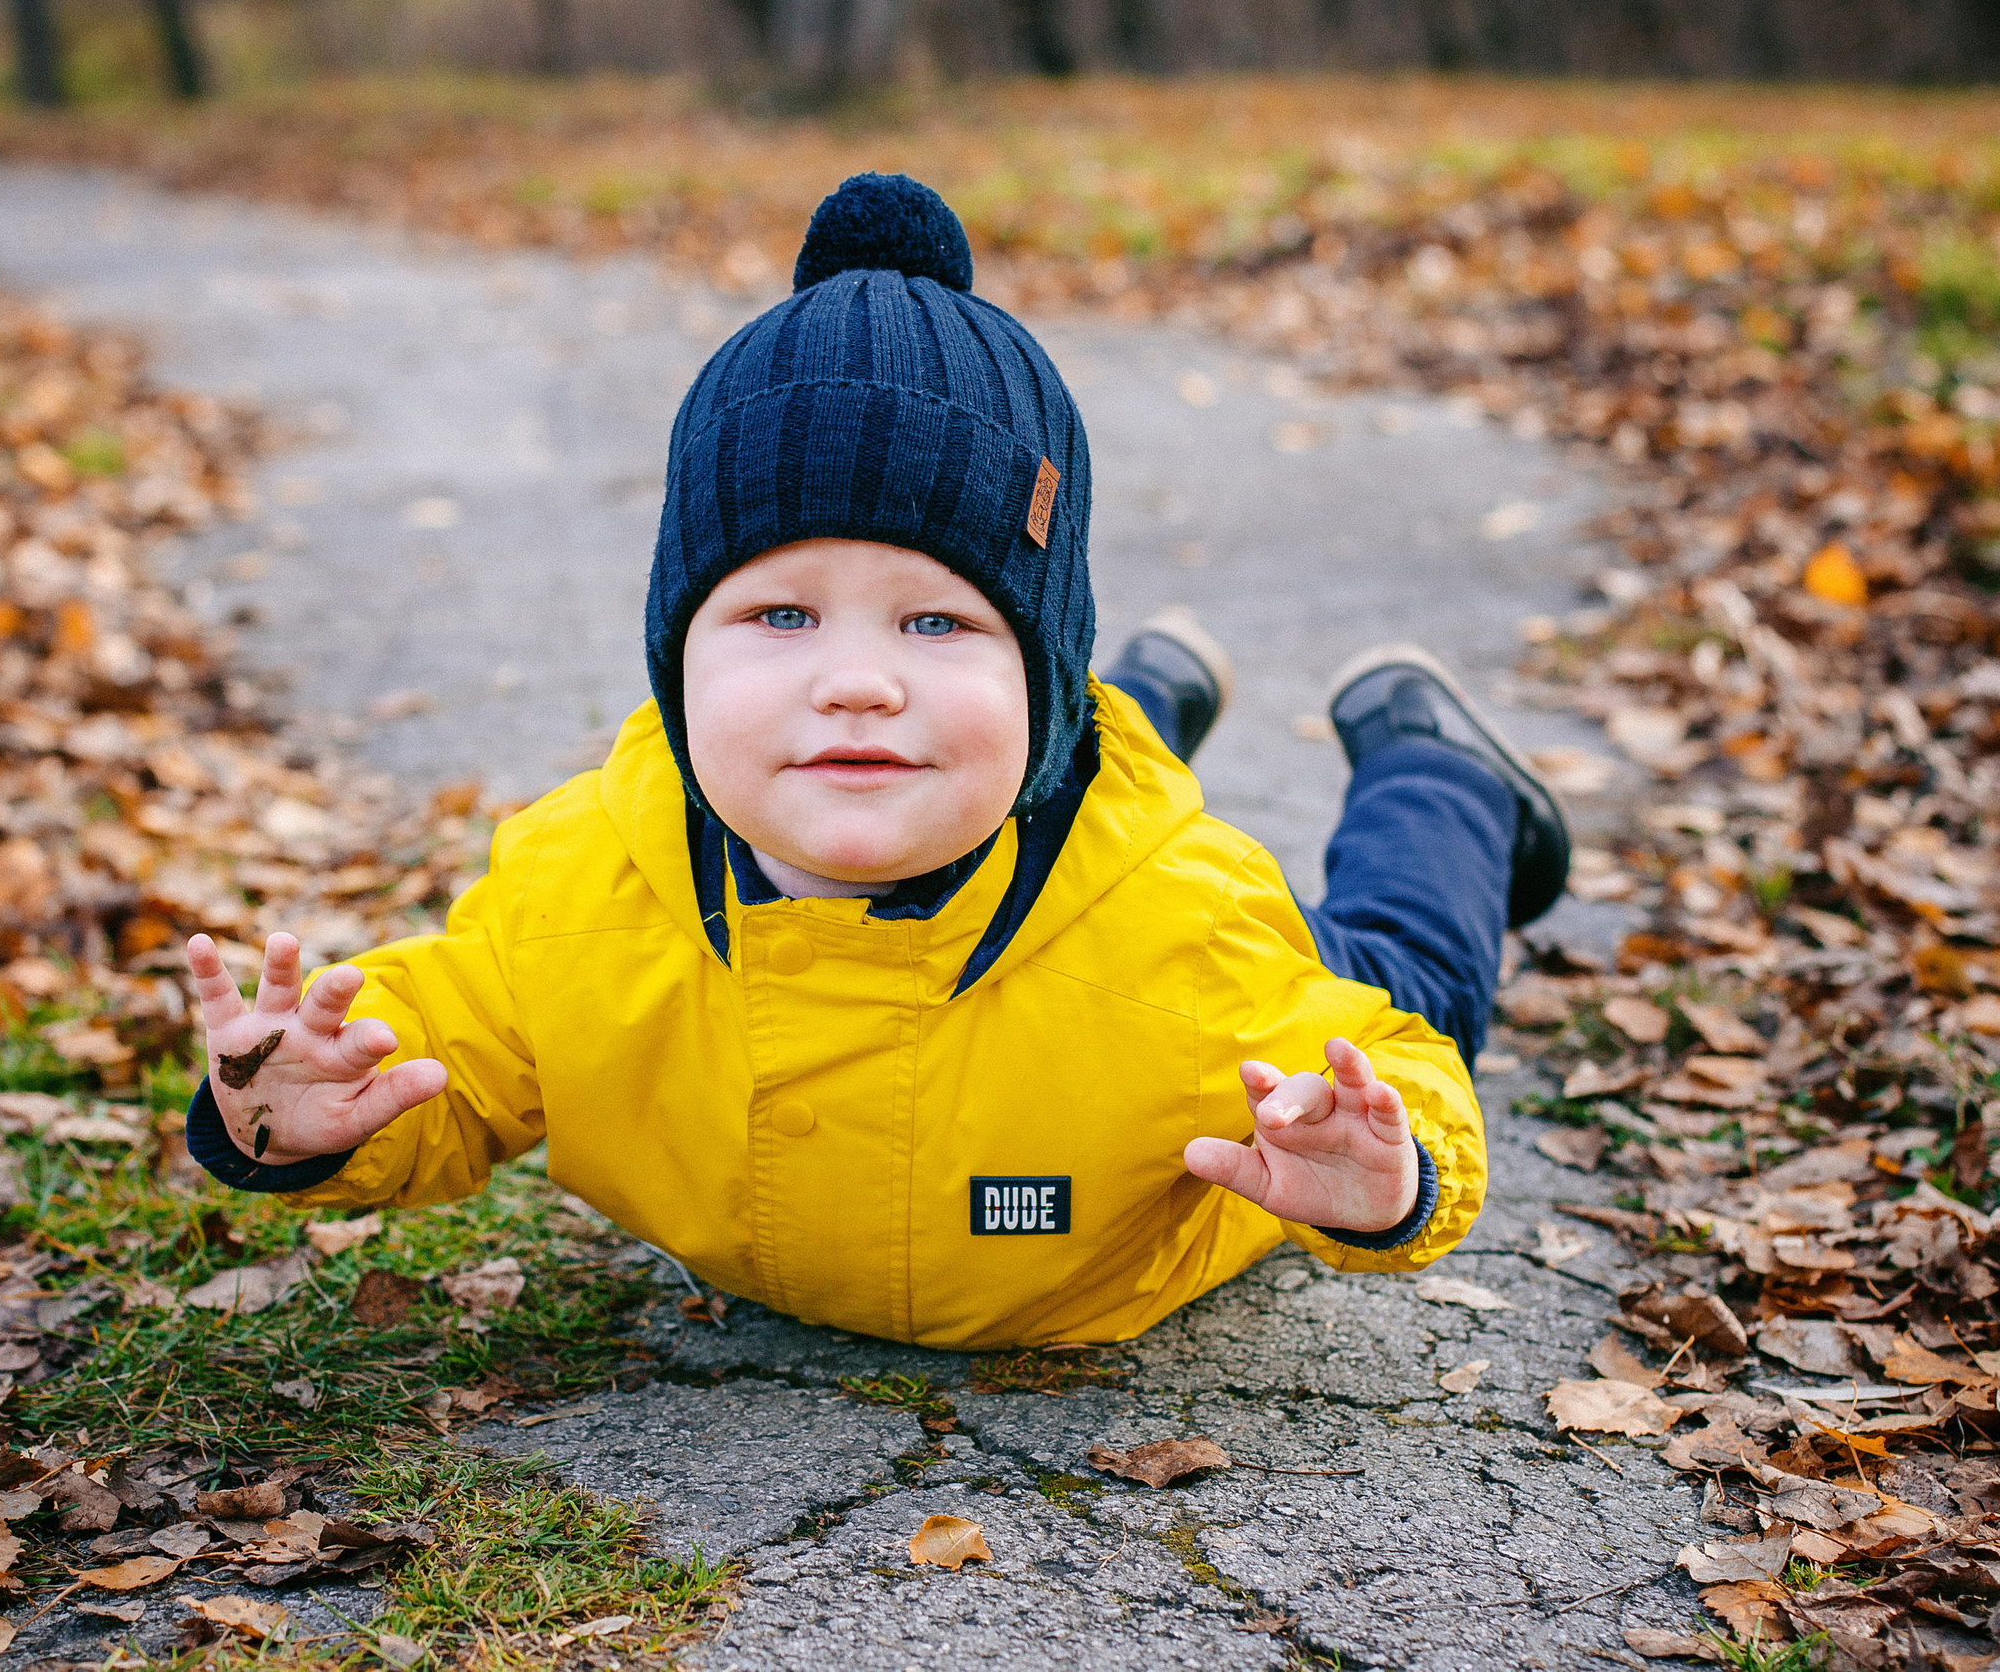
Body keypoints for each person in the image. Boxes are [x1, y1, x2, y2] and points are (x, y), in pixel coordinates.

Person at [182, 173, 1570, 1350]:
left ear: (1034, 659)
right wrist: (300, 1122)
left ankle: (1439, 772)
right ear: (677, 659)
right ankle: (1141, 686)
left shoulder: (1183, 939)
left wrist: (1381, 1179)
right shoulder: (579, 888)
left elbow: (1391, 1063)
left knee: (1408, 969)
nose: (857, 677)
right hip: (1022, 769)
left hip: (1121, 1086)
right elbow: (451, 1057)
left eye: (939, 619)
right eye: (780, 614)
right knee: (948, 743)